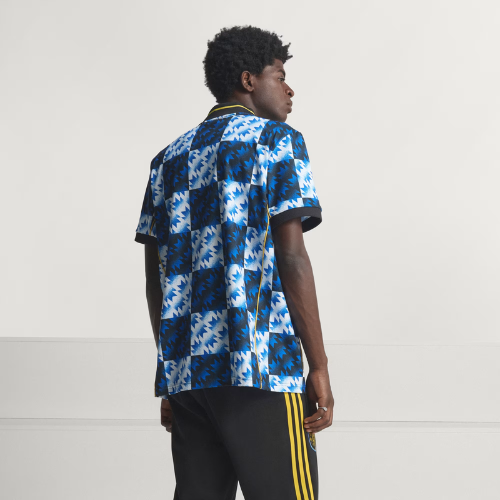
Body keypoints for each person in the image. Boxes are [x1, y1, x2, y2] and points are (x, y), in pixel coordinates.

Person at [134, 25, 334, 500]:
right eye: (279, 76)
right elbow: (292, 257)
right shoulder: (276, 141)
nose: (289, 90)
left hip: (190, 376)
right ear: (248, 80)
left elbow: (155, 282)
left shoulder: (167, 160)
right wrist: (319, 365)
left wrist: (171, 372)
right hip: (261, 366)